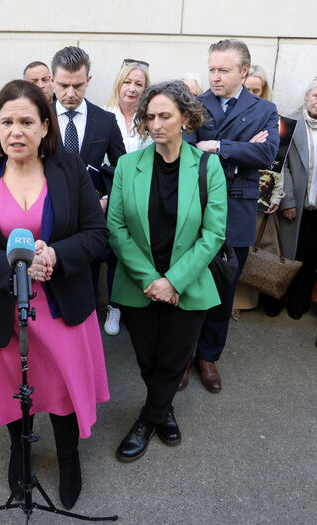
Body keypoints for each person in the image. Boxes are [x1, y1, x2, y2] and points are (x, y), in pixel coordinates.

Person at [0, 80, 110, 510]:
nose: (16, 131)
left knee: (60, 390)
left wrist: (56, 255)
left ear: (45, 126)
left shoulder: (70, 170)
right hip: (6, 307)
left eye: (26, 121)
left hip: (61, 308)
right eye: (7, 122)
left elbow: (97, 234)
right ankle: (19, 452)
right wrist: (13, 264)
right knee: (16, 389)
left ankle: (68, 456)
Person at [108, 80, 227, 462]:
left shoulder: (209, 167)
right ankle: (164, 410)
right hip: (138, 283)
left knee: (174, 359)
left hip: (187, 285)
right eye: (149, 116)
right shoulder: (128, 165)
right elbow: (116, 228)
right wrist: (152, 280)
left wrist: (173, 280)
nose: (155, 124)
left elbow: (214, 233)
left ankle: (148, 418)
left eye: (165, 116)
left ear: (186, 119)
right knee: (147, 358)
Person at [184, 38, 280, 393]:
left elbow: (267, 153)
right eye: (211, 69)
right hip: (197, 204)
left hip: (237, 210)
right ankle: (183, 355)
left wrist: (219, 145)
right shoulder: (195, 105)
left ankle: (208, 356)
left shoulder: (264, 108)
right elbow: (188, 152)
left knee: (224, 286)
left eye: (223, 70)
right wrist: (242, 148)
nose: (216, 76)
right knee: (190, 283)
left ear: (243, 71)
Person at [50, 46, 126, 337]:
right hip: (48, 217)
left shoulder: (104, 121)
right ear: (52, 80)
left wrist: (108, 199)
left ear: (88, 80)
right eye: (63, 85)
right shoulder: (38, 117)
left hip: (89, 220)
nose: (70, 92)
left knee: (88, 283)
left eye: (77, 85)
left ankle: (85, 337)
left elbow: (122, 170)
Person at [276, 75, 317, 319]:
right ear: (307, 96)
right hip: (295, 205)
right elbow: (280, 164)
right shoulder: (288, 122)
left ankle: (299, 302)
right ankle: (276, 298)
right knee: (286, 255)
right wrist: (288, 200)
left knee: (311, 256)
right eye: (316, 95)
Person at [100, 58, 152, 336]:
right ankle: (115, 306)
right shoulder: (105, 116)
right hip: (112, 198)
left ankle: (137, 307)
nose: (132, 89)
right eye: (127, 82)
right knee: (114, 254)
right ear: (119, 85)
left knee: (140, 252)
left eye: (139, 84)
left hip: (143, 197)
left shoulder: (150, 119)